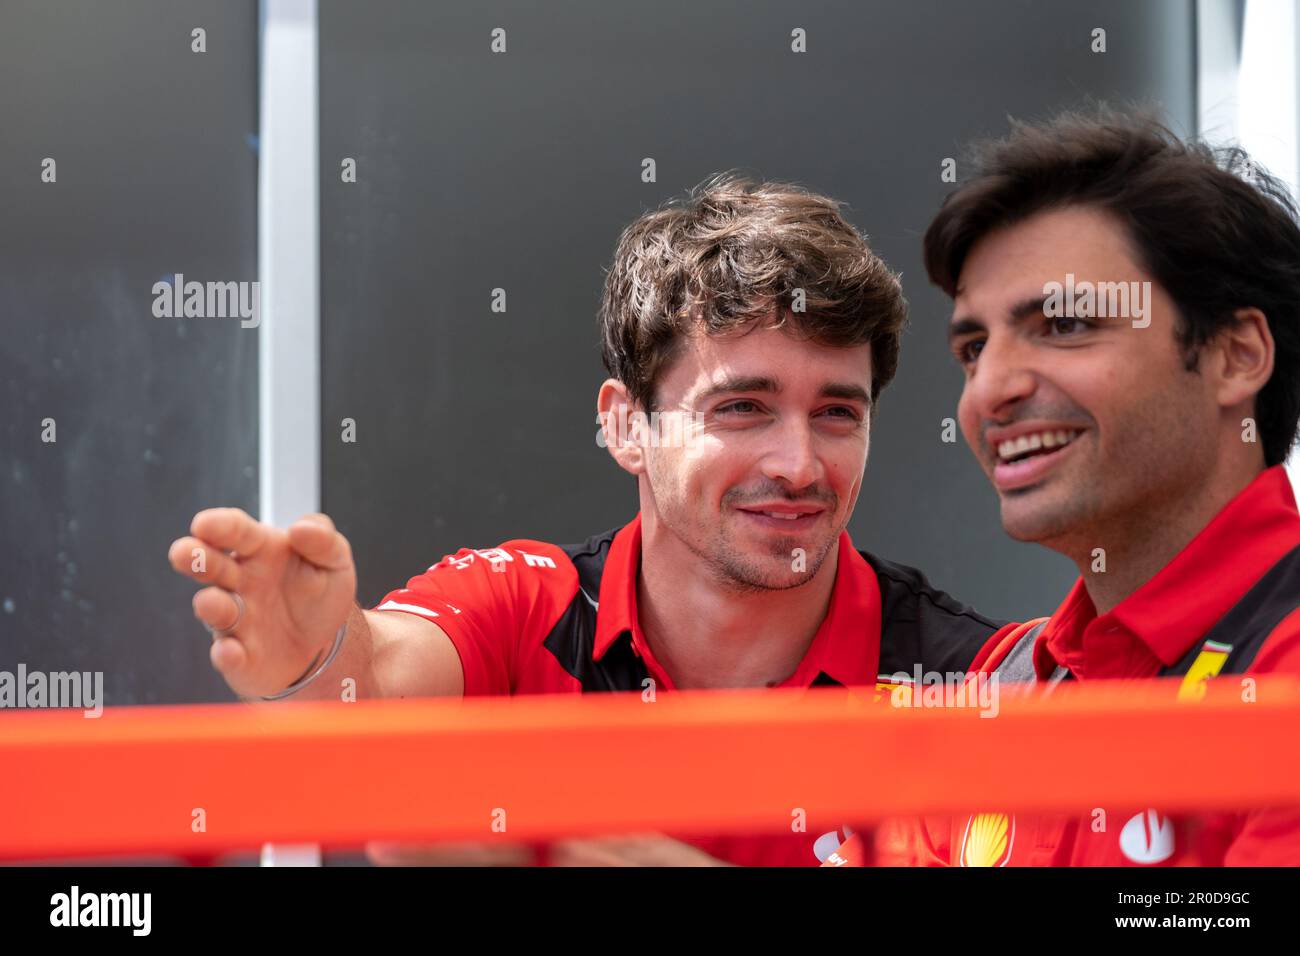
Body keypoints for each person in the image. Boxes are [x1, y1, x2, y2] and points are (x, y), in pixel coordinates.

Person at [169, 174, 1023, 866]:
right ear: (625, 426)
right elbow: (373, 683)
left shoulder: (976, 683)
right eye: (742, 410)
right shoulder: (524, 606)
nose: (799, 466)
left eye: (837, 414)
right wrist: (313, 662)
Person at [829, 109, 1300, 867]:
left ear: (1235, 356)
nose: (992, 391)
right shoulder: (1003, 676)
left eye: (1065, 324)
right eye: (974, 348)